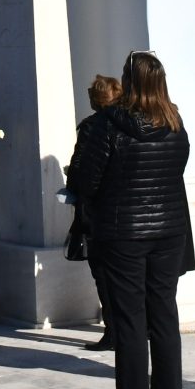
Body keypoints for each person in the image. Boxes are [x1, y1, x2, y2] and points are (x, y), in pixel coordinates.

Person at [70, 50, 195, 389]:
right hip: (168, 232)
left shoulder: (109, 124)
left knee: (129, 327)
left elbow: (85, 182)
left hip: (123, 234)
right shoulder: (176, 123)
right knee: (164, 322)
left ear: (129, 80)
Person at [69, 73, 123, 351]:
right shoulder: (130, 124)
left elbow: (81, 169)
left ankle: (114, 330)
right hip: (123, 212)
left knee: (103, 273)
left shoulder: (92, 127)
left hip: (98, 214)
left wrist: (72, 180)